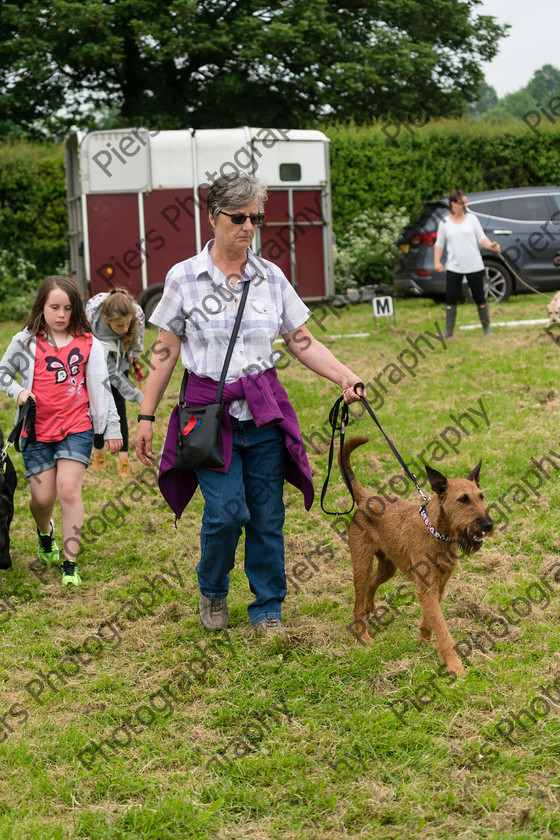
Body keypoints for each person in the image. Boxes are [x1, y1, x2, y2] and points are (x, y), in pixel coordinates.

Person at [135, 172, 364, 636]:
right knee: (226, 513)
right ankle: (213, 588)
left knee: (267, 515)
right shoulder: (183, 278)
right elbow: (165, 351)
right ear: (213, 217)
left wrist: (345, 376)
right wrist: (145, 414)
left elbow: (301, 340)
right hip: (206, 416)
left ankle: (267, 607)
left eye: (255, 218)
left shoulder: (270, 277)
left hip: (261, 413)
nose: (248, 227)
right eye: (238, 218)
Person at [0, 276, 122, 585]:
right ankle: (45, 533)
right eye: (54, 307)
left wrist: (111, 427)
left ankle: (70, 564)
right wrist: (18, 393)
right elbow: (3, 373)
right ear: (41, 307)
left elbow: (102, 387)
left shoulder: (89, 342)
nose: (61, 315)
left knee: (68, 490)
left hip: (76, 428)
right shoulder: (25, 340)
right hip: (36, 431)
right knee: (42, 500)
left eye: (68, 308)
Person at [86, 287, 145, 477]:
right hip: (96, 361)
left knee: (119, 407)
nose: (125, 329)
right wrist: (138, 396)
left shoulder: (137, 316)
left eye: (127, 324)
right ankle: (99, 454)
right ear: (106, 319)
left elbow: (136, 341)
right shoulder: (94, 321)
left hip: (122, 357)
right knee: (97, 407)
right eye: (120, 326)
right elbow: (110, 372)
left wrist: (134, 357)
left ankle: (123, 460)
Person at [434, 189, 501, 338]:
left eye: (466, 202)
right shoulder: (444, 221)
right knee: (451, 299)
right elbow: (439, 243)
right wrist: (437, 261)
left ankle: (486, 328)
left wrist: (491, 245)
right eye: (462, 203)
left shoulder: (472, 219)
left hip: (474, 265)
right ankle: (448, 331)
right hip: (454, 267)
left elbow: (481, 238)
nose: (465, 205)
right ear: (453, 204)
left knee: (479, 297)